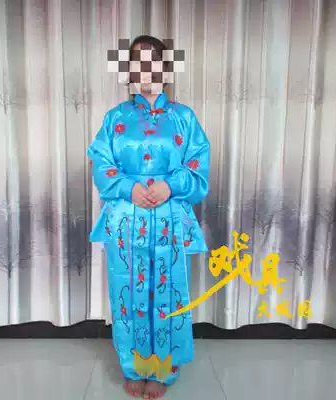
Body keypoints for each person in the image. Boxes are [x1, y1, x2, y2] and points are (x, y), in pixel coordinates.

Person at [87, 35, 210, 399]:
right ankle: (134, 367)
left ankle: (163, 370)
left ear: (165, 67)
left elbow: (198, 166)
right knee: (128, 290)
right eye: (136, 62)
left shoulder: (184, 118)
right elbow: (101, 164)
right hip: (127, 219)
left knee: (169, 292)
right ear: (129, 71)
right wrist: (129, 188)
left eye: (152, 60)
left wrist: (170, 186)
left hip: (170, 217)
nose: (144, 69)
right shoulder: (115, 118)